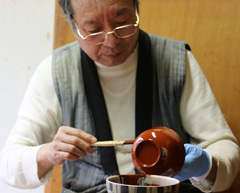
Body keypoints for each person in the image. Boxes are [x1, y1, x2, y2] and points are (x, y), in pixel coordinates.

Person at [0, 0, 239, 192]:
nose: (111, 41)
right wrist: (48, 152)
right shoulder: (54, 71)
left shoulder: (176, 60)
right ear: (74, 26)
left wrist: (207, 165)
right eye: (93, 30)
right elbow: (9, 165)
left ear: (136, 9)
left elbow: (223, 144)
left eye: (122, 22)